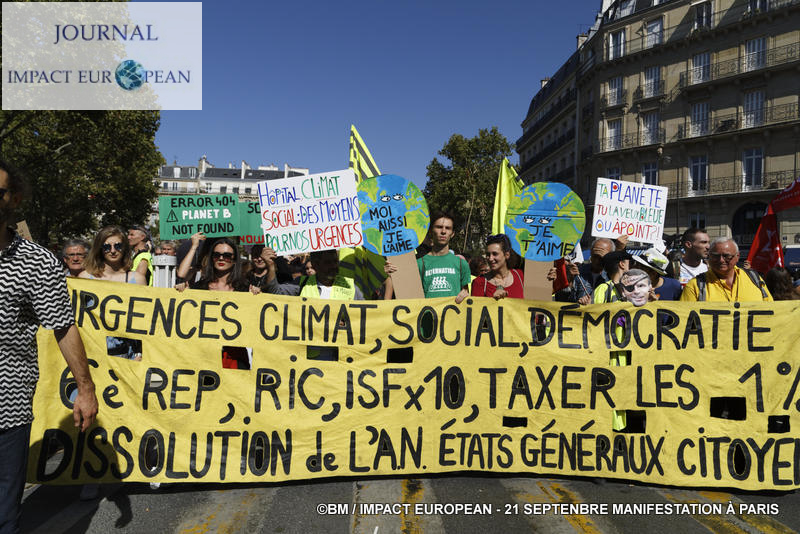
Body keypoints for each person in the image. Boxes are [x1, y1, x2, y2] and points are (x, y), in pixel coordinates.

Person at [0, 160, 98, 532]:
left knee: (4, 513)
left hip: (6, 406)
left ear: (15, 198)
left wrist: (85, 389)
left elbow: (63, 325)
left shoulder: (37, 262)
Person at [385, 212, 470, 302]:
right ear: (431, 231)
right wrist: (391, 275)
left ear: (452, 234)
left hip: (452, 315)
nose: (443, 232)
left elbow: (465, 293)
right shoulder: (419, 263)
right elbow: (405, 293)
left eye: (448, 228)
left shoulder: (461, 264)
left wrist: (466, 295)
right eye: (439, 227)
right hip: (427, 315)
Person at [680, 237, 772, 302]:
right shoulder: (694, 286)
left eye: (727, 256)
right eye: (715, 256)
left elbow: (772, 311)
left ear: (737, 257)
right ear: (709, 257)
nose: (721, 260)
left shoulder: (755, 279)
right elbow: (684, 321)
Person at [263, 248, 364, 300]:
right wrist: (270, 265)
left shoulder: (351, 287)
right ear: (316, 265)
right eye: (328, 262)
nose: (333, 266)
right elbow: (274, 293)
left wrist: (347, 322)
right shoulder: (301, 284)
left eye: (335, 261)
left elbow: (366, 315)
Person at [79, 227, 146, 285]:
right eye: (106, 247)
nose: (113, 251)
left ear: (125, 247)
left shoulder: (138, 280)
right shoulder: (85, 277)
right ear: (99, 249)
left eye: (118, 246)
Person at [471, 234, 523, 299]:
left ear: (507, 255)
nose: (490, 258)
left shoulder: (520, 276)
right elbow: (476, 308)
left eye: (495, 254)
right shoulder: (479, 282)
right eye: (488, 254)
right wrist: (493, 301)